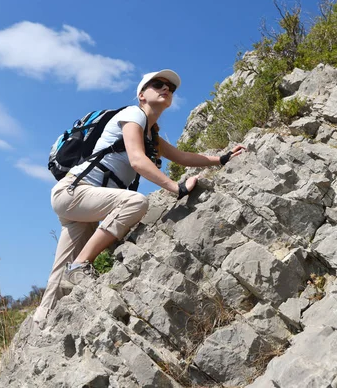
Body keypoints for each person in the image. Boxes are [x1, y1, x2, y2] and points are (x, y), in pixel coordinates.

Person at [33, 69, 245, 326]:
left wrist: (221, 159)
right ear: (141, 95)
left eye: (171, 88)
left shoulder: (151, 133)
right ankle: (81, 266)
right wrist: (175, 187)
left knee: (58, 278)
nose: (166, 89)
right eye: (158, 84)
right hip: (74, 192)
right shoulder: (133, 115)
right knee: (136, 202)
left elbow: (181, 157)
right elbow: (137, 159)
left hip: (84, 204)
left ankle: (42, 325)